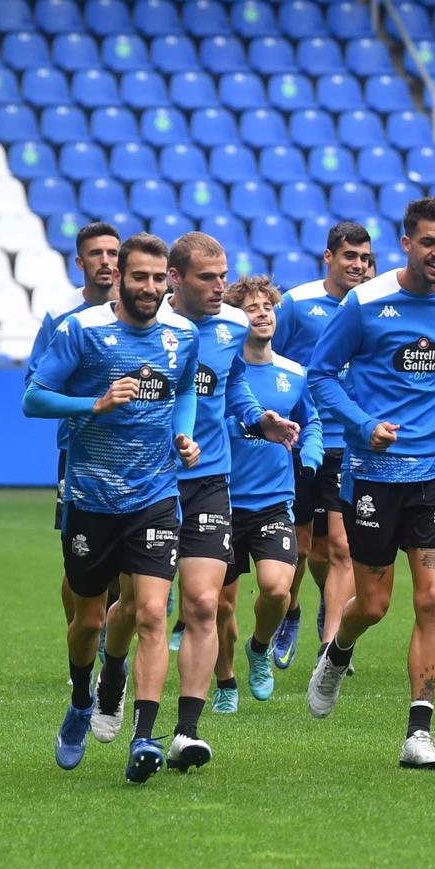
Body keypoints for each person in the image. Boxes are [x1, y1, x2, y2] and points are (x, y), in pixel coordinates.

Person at [305, 197, 435, 770]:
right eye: (428, 242)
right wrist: (361, 426)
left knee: (432, 598)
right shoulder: (365, 303)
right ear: (406, 244)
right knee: (375, 605)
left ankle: (419, 731)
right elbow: (320, 375)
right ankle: (338, 649)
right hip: (374, 476)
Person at [24, 232, 201, 783]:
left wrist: (183, 434)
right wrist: (93, 403)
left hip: (154, 496)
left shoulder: (183, 334)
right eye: (139, 277)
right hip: (91, 499)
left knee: (151, 613)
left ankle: (143, 739)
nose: (149, 288)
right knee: (89, 620)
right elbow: (33, 398)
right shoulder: (82, 330)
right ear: (118, 278)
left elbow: (184, 390)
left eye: (157, 278)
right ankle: (83, 700)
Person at [165, 234, 302, 755]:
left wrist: (257, 418)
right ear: (175, 279)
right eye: (208, 278)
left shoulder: (231, 329)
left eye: (224, 276)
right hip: (151, 479)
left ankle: (187, 729)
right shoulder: (154, 328)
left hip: (213, 481)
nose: (220, 287)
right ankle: (107, 678)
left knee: (207, 601)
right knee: (140, 610)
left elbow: (235, 386)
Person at [270, 223, 375, 669]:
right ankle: (290, 610)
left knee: (342, 547)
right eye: (349, 256)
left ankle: (330, 648)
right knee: (300, 548)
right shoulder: (298, 304)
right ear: (328, 257)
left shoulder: (374, 307)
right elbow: (266, 360)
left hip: (349, 443)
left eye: (364, 258)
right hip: (297, 440)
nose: (357, 265)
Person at [218, 275, 323, 710]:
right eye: (251, 307)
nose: (262, 313)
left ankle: (259, 650)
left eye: (268, 306)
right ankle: (225, 682)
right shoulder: (221, 373)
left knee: (277, 590)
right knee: (220, 607)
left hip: (273, 502)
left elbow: (311, 420)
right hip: (221, 500)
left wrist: (310, 455)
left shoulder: (294, 373)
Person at [31, 222, 120, 626]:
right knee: (80, 557)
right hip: (81, 452)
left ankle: (110, 643)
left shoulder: (143, 309)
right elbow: (36, 383)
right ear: (80, 261)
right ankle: (81, 636)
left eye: (113, 253)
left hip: (139, 451)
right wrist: (91, 405)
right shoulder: (61, 316)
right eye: (97, 253)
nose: (106, 261)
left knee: (129, 560)